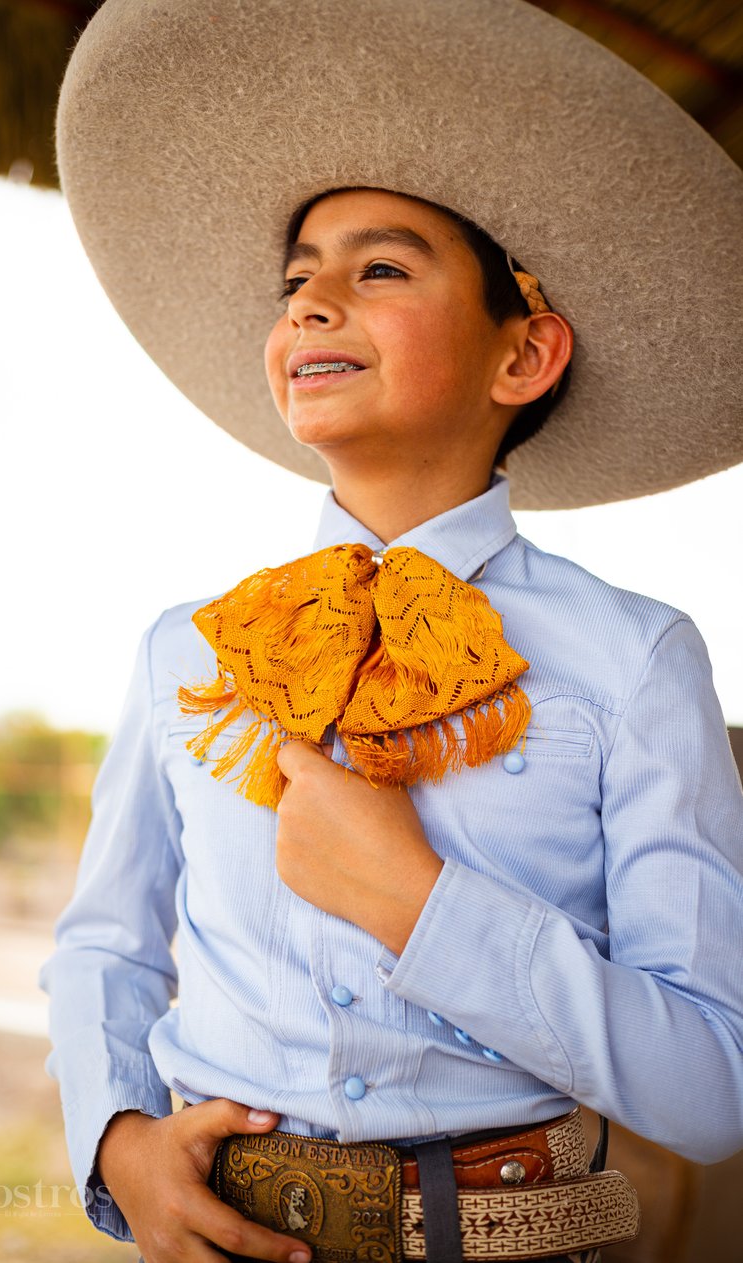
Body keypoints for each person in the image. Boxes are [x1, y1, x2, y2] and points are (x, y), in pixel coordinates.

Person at [40, 2, 743, 1262]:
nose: (310, 303)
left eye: (377, 269)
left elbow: (709, 1091)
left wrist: (419, 902)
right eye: (294, 278)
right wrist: (116, 1143)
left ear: (521, 354)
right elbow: (105, 940)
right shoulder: (185, 655)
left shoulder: (634, 660)